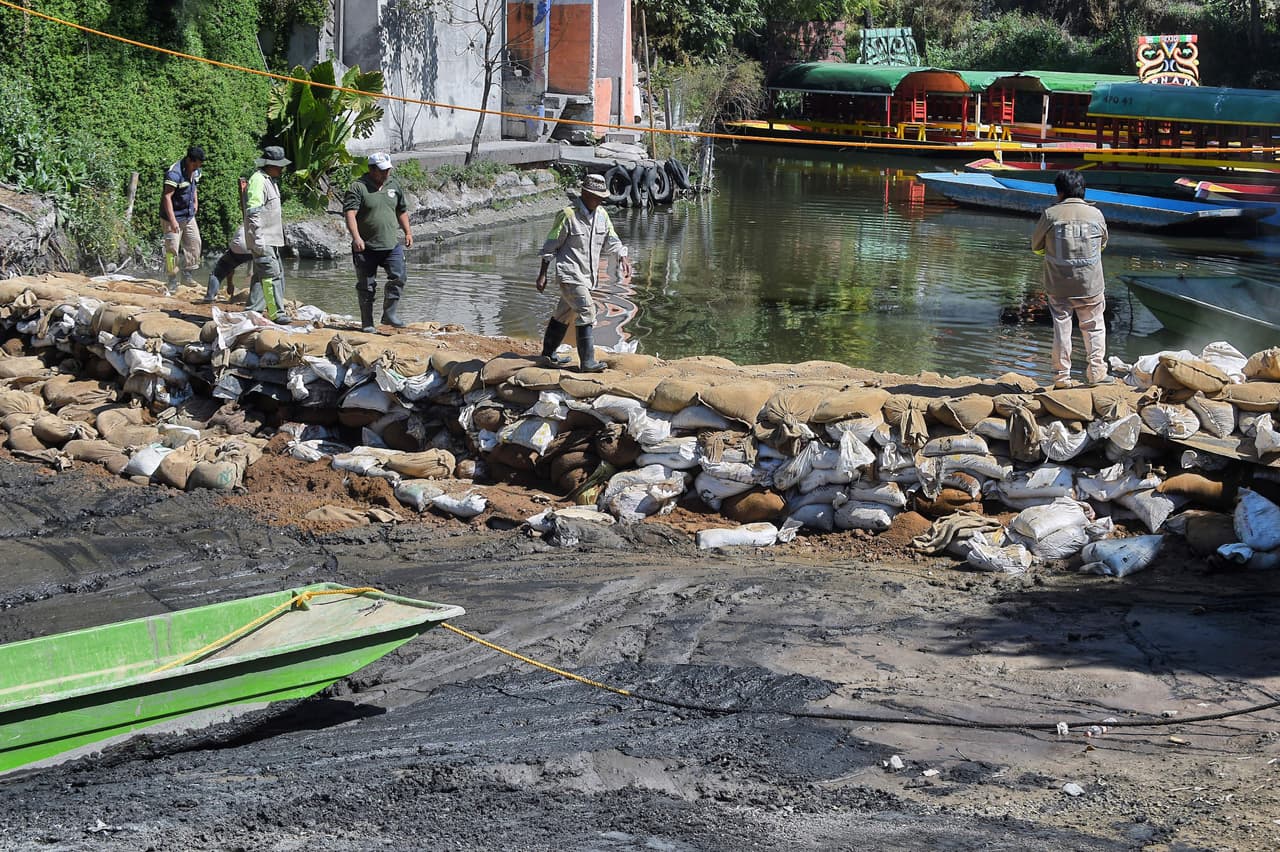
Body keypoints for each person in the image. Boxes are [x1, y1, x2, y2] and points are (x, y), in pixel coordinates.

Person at [535, 172, 632, 372]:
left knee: (564, 315)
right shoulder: (568, 215)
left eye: (601, 198)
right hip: (569, 273)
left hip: (587, 277)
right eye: (596, 197)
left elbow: (611, 239)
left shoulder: (602, 216)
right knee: (588, 311)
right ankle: (587, 362)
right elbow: (550, 246)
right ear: (585, 194)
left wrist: (623, 256)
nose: (599, 201)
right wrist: (542, 274)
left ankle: (547, 355)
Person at [1032, 169, 1109, 388]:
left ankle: (1061, 377)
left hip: (1058, 285)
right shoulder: (1096, 215)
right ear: (1083, 191)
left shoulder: (1050, 215)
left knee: (1062, 327)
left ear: (1059, 192)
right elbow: (1102, 245)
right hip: (1090, 284)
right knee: (1093, 325)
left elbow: (1036, 247)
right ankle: (1096, 373)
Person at [343, 152, 413, 333]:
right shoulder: (358, 187)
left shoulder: (393, 185)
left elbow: (401, 210)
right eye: (382, 171)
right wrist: (356, 237)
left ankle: (389, 314)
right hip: (366, 247)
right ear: (371, 169)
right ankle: (367, 323)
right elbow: (350, 214)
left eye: (388, 170)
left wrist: (408, 232)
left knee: (399, 277)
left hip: (391, 245)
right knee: (366, 286)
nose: (386, 173)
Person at [243, 146, 291, 324]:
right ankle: (276, 313)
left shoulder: (270, 180)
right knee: (271, 275)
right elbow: (253, 212)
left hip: (272, 239)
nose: (281, 169)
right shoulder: (258, 181)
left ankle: (252, 310)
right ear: (269, 164)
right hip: (263, 238)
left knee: (261, 275)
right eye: (278, 165)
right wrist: (258, 239)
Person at [160, 144, 205, 294]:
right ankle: (172, 280)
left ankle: (187, 274)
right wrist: (172, 221)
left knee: (195, 242)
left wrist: (195, 201)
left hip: (188, 215)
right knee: (172, 248)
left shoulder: (196, 170)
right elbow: (167, 197)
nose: (198, 167)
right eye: (196, 164)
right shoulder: (174, 173)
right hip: (173, 216)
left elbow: (194, 186)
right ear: (190, 161)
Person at [201, 223, 251, 304]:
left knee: (218, 272)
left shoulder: (243, 224)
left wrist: (229, 284)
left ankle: (210, 297)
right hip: (258, 246)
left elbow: (230, 267)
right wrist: (229, 284)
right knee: (263, 276)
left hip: (238, 246)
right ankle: (259, 302)